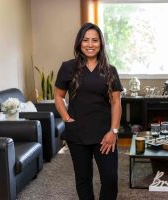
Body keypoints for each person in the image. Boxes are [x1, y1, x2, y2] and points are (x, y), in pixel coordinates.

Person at [54, 23, 123, 200]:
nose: (90, 44)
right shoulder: (68, 67)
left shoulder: (109, 70)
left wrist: (113, 131)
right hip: (78, 133)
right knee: (83, 179)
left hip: (104, 134)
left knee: (110, 179)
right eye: (85, 40)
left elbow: (116, 101)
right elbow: (59, 96)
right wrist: (66, 118)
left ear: (101, 44)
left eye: (95, 40)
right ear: (79, 43)